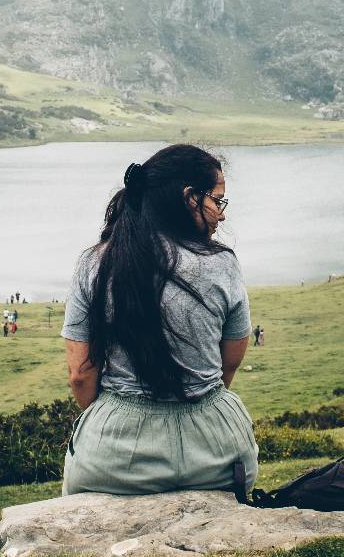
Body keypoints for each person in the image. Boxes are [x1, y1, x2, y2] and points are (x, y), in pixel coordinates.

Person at [61, 143, 258, 496]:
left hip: (115, 455)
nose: (222, 214)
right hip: (216, 448)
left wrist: (119, 422)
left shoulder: (94, 263)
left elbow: (80, 375)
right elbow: (227, 367)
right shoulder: (223, 264)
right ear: (189, 197)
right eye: (218, 200)